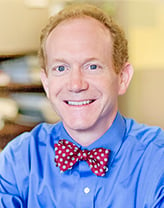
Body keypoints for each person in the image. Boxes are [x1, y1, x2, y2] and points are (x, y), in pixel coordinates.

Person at [0, 3, 163, 208]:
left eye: (92, 66)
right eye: (61, 68)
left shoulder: (158, 159)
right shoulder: (19, 159)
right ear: (46, 83)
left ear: (122, 77)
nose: (76, 84)